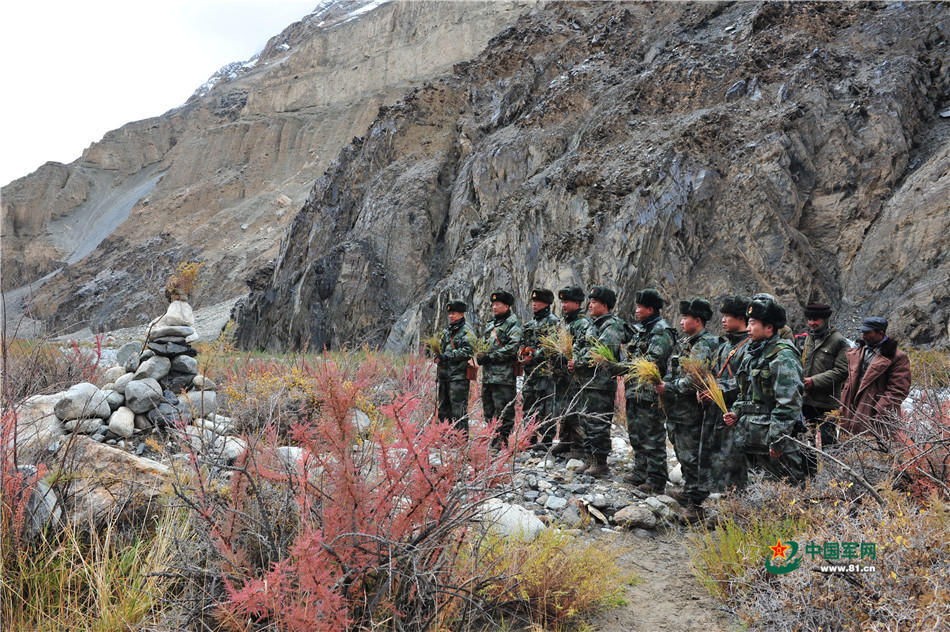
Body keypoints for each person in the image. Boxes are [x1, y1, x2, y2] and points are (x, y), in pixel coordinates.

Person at [723, 296, 806, 486]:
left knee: (784, 490)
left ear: (769, 328)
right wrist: (735, 412)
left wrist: (777, 440)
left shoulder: (782, 355)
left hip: (772, 441)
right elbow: (745, 392)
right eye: (748, 323)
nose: (748, 328)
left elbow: (788, 403)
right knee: (758, 489)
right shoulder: (753, 354)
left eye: (753, 323)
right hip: (751, 437)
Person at [656, 298, 721, 520]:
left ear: (698, 320)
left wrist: (668, 387)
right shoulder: (687, 342)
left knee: (693, 455)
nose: (681, 322)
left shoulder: (705, 345)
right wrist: (664, 382)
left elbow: (694, 378)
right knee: (683, 452)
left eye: (686, 318)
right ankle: (688, 490)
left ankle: (696, 503)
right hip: (678, 410)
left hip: (693, 411)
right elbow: (673, 371)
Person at [619, 288, 676, 493]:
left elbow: (653, 360)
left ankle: (656, 478)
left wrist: (624, 367)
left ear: (650, 309)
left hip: (649, 392)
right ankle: (640, 471)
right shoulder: (642, 330)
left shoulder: (662, 331)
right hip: (634, 390)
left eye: (640, 307)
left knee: (652, 435)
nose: (636, 310)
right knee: (636, 433)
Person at [569, 285, 626, 477]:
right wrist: (575, 361)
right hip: (586, 382)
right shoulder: (593, 324)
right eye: (590, 302)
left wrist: (579, 362)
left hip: (601, 384)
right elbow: (578, 344)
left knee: (598, 423)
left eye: (594, 302)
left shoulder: (612, 325)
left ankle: (600, 463)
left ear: (604, 305)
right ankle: (589, 459)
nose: (590, 305)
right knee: (585, 421)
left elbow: (601, 353)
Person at [703, 295, 751, 493]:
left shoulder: (748, 346)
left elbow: (746, 380)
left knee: (735, 459)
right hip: (718, 412)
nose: (722, 320)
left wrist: (718, 390)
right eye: (722, 316)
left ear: (741, 319)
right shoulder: (724, 346)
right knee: (718, 456)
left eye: (728, 316)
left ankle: (735, 504)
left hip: (735, 413)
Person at [838, 317, 911, 438]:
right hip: (850, 411)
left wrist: (879, 411)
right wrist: (842, 404)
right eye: (862, 332)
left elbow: (898, 390)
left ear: (880, 333)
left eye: (867, 333)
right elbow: (849, 382)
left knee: (873, 451)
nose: (863, 336)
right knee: (848, 449)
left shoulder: (897, 357)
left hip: (875, 416)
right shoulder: (858, 352)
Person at [799, 303, 850, 472]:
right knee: (806, 444)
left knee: (828, 445)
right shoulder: (809, 338)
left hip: (827, 403)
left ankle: (831, 480)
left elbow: (842, 371)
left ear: (826, 319)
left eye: (816, 319)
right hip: (806, 401)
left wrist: (813, 381)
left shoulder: (839, 342)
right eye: (810, 319)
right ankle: (809, 479)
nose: (812, 323)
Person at [477, 290, 523, 447]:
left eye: (498, 304)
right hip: (489, 375)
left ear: (506, 306)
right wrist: (481, 355)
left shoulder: (513, 323)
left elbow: (513, 347)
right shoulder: (491, 324)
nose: (494, 307)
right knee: (488, 408)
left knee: (504, 408)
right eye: (493, 304)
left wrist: (492, 357)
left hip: (503, 375)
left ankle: (503, 439)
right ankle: (492, 436)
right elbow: (484, 344)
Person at [551, 286, 590, 460]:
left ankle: (578, 447)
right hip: (562, 374)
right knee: (564, 407)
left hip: (575, 374)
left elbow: (582, 348)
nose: (563, 305)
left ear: (577, 303)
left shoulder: (582, 324)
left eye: (567, 302)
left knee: (575, 409)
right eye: (562, 302)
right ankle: (565, 441)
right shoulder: (563, 322)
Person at [520, 288, 561, 450]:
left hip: (546, 372)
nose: (534, 304)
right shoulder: (530, 324)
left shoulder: (553, 322)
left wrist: (534, 355)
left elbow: (551, 347)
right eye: (533, 301)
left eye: (538, 302)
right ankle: (529, 438)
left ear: (547, 304)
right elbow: (523, 343)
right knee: (528, 404)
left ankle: (546, 440)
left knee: (546, 406)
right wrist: (523, 353)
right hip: (530, 373)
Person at [434, 300, 477, 432]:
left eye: (454, 313)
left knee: (459, 410)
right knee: (443, 408)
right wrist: (438, 356)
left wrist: (449, 356)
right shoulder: (447, 331)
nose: (451, 316)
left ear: (461, 314)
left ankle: (461, 440)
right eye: (450, 314)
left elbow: (468, 351)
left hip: (458, 377)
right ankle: (443, 437)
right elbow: (442, 348)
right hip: (444, 376)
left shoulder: (467, 331)